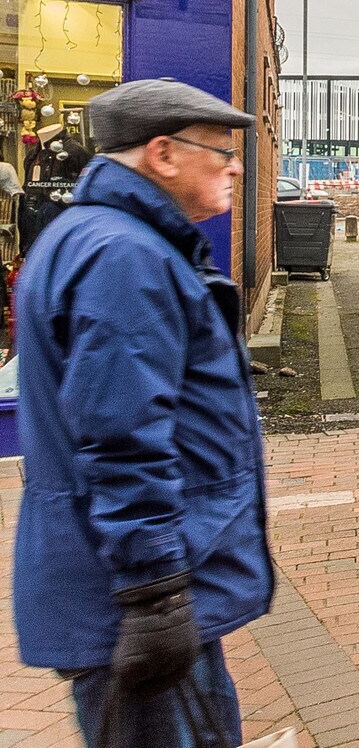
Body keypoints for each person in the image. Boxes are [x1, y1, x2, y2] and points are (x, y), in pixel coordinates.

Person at [12, 79, 271, 747]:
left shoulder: (94, 236)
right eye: (220, 150)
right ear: (162, 153)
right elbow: (123, 438)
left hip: (125, 592)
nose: (235, 165)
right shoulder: (124, 257)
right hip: (133, 601)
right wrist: (155, 595)